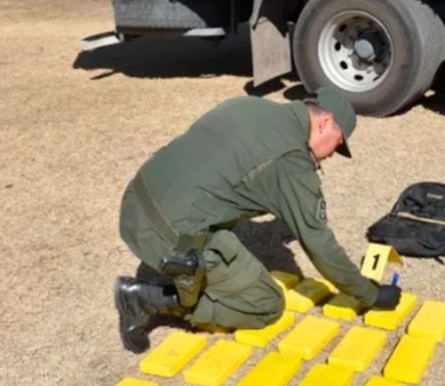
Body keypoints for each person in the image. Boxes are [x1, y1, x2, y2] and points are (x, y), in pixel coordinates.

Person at [114, 88, 402, 353]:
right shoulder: (293, 163)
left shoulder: (250, 105)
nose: (329, 157)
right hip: (161, 233)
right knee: (266, 304)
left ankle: (190, 268)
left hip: (135, 199)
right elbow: (320, 244)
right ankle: (150, 300)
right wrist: (370, 294)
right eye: (336, 145)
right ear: (325, 123)